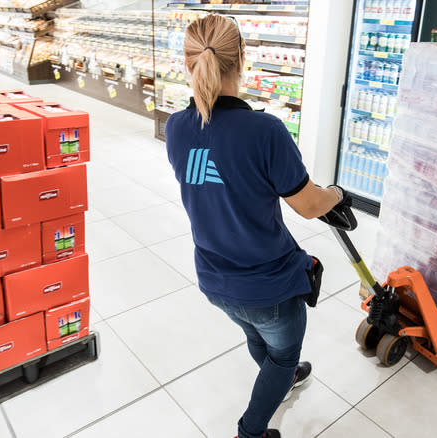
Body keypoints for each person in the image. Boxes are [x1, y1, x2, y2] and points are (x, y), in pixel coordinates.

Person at [164, 14, 344, 438]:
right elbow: (310, 205)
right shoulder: (265, 131)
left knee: (256, 335)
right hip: (269, 284)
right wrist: (336, 192)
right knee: (282, 355)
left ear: (188, 63)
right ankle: (252, 429)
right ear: (241, 58)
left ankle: (278, 375)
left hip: (213, 280)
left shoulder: (176, 128)